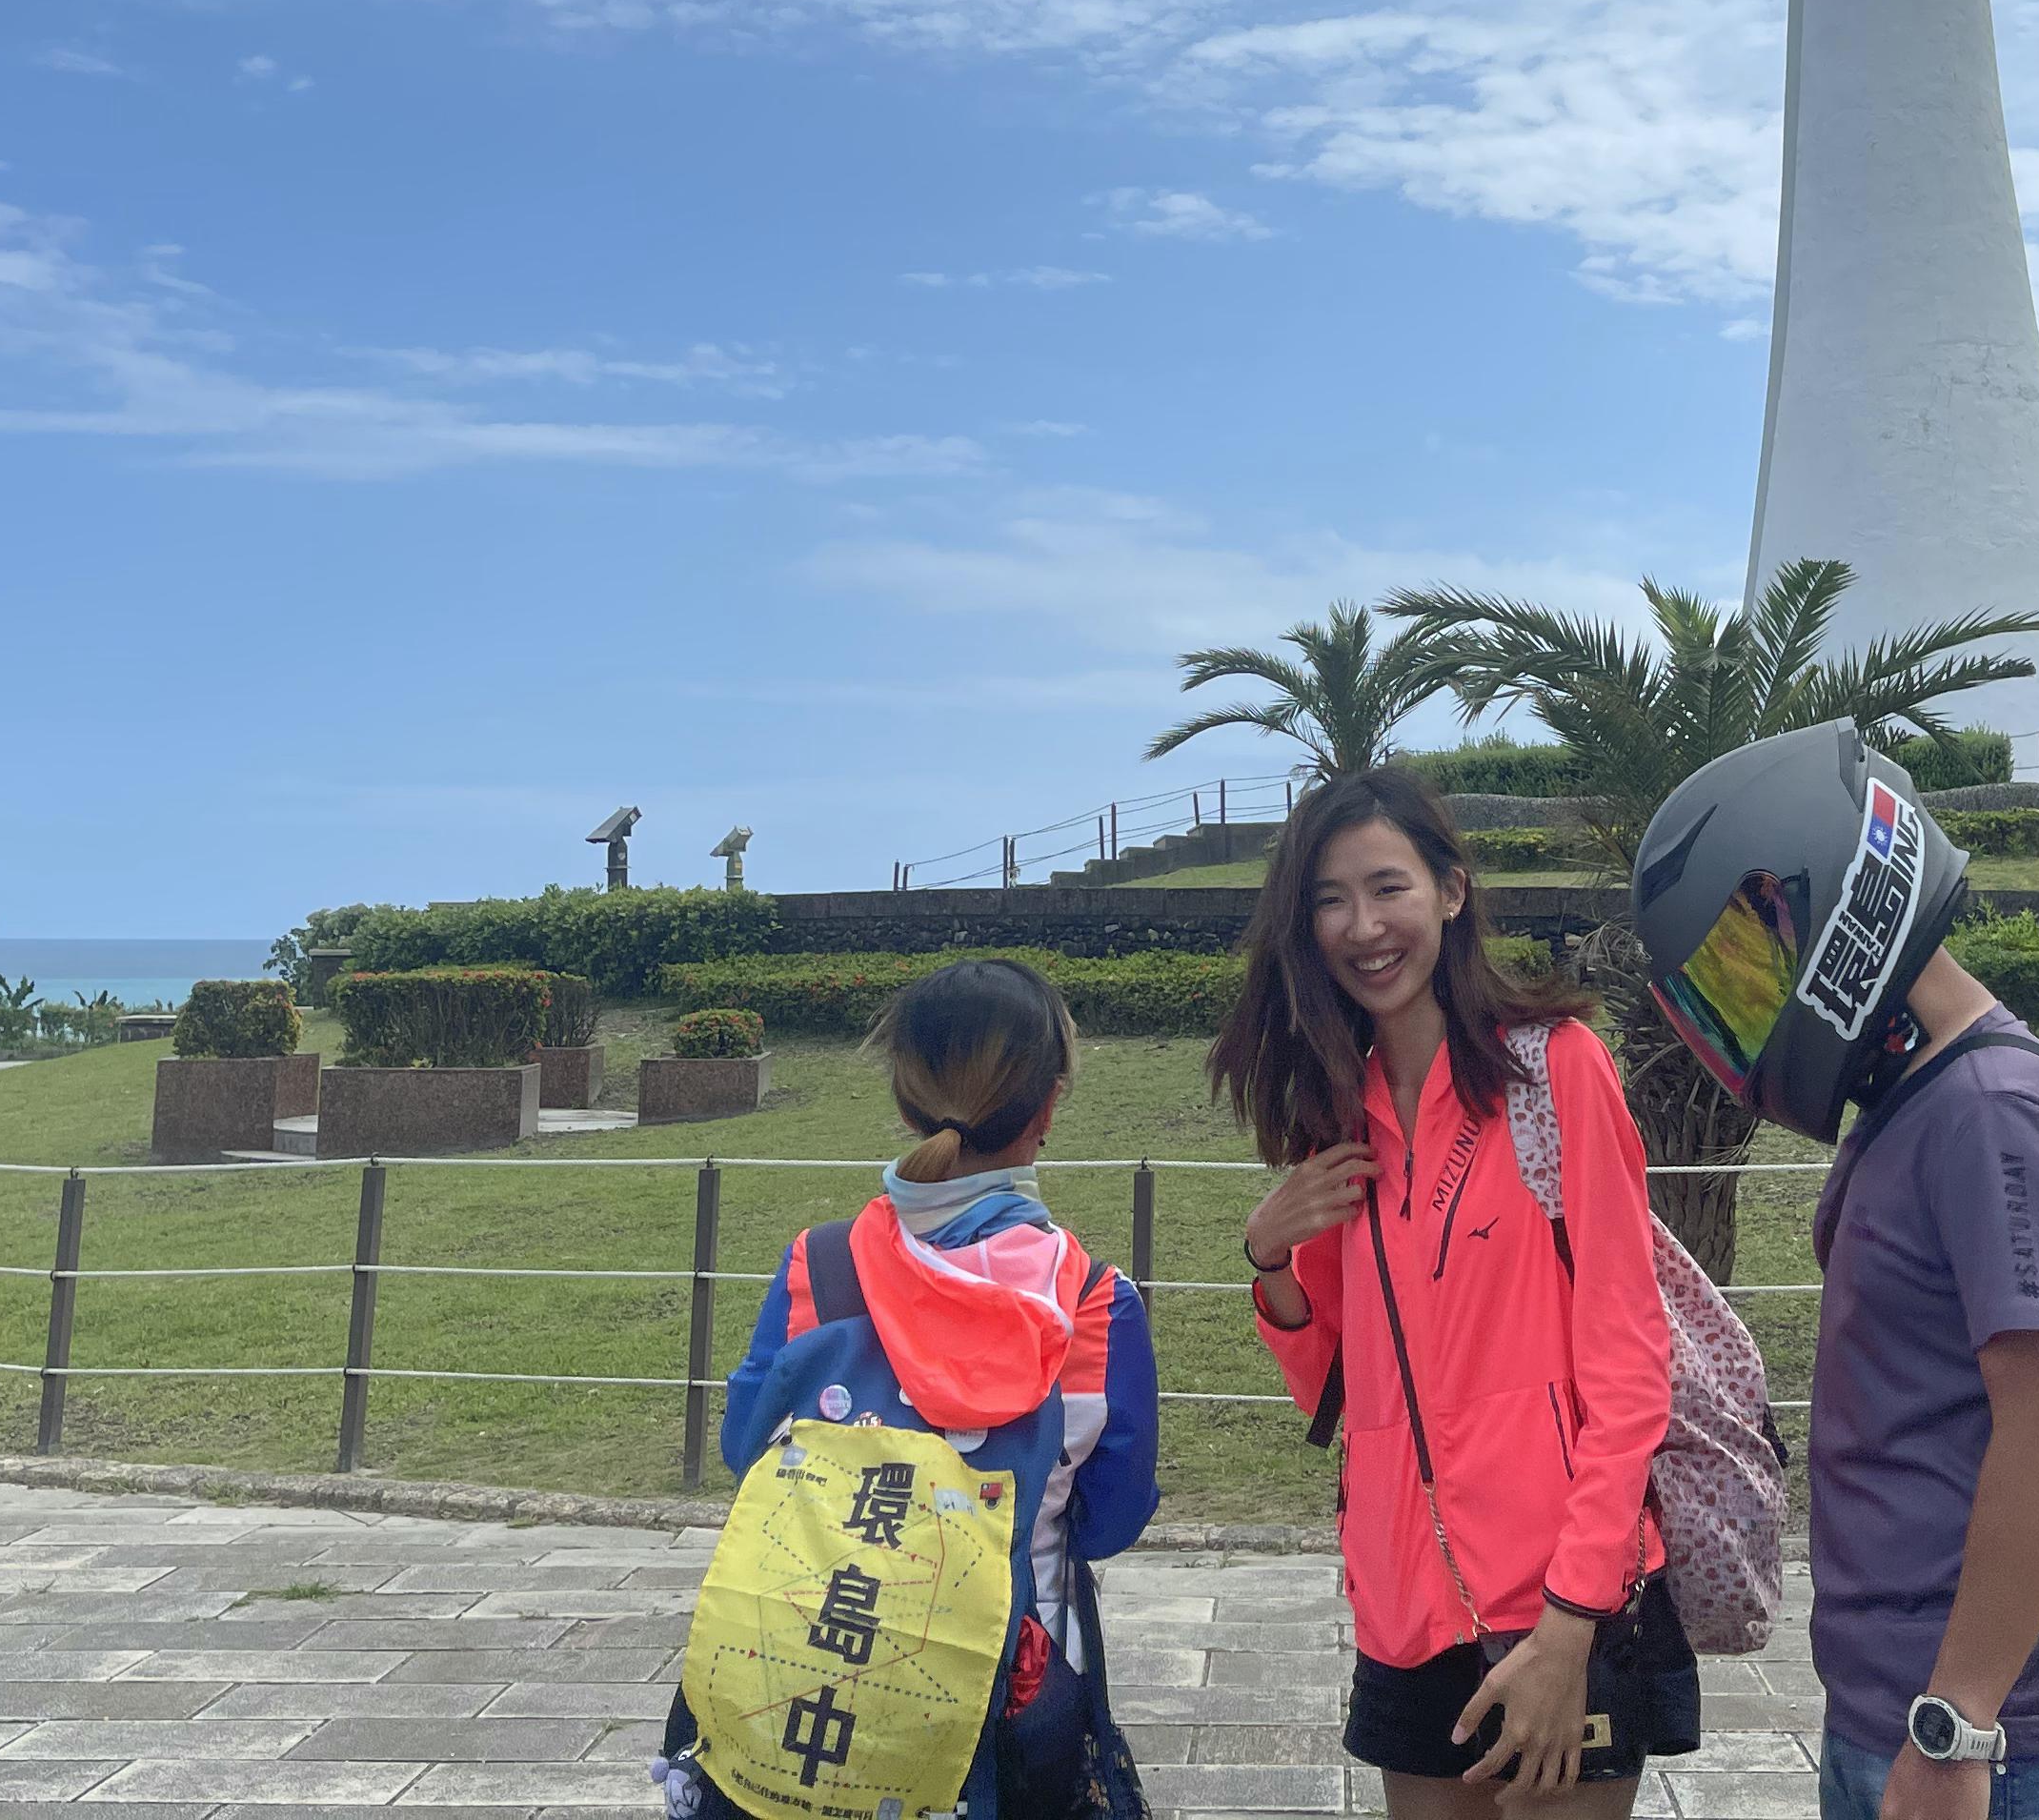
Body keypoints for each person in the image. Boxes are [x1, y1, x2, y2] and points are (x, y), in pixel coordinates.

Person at [1627, 724, 2039, 1820]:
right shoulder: (1920, 1104)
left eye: (1746, 974)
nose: (1742, 1028)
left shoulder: (1989, 1115)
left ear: (1829, 911)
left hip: (2005, 1742)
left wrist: (1955, 1728)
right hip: (1911, 1715)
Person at [1209, 764, 1697, 1820]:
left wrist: (1574, 1621)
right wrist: (1270, 1260)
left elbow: (1627, 1358)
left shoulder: (1556, 1071)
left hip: (1561, 1594)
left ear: (1452, 891)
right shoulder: (1334, 1116)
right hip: (1403, 1607)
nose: (1363, 926)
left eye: (1388, 887)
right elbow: (1344, 1394)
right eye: (1330, 901)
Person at [664, 956, 1159, 1820]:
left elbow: (745, 1449)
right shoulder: (1093, 1304)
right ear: (1046, 1108)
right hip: (1003, 1698)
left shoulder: (816, 1267)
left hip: (802, 1677)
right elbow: (1111, 1522)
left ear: (903, 1099)